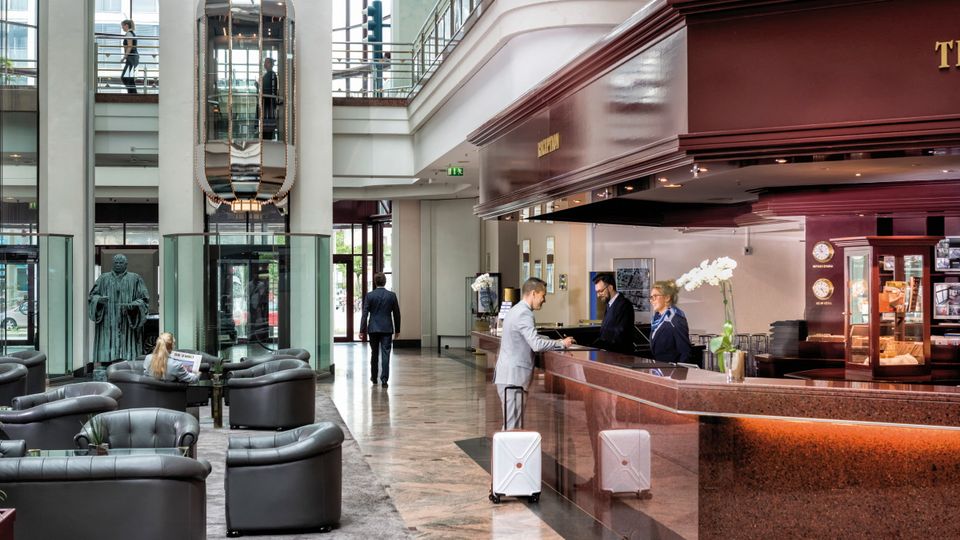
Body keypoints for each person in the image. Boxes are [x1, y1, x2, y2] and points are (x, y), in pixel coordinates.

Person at [494, 277, 575, 430]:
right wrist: (561, 344)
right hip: (513, 378)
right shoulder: (524, 313)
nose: (544, 300)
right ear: (533, 293)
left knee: (511, 425)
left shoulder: (516, 310)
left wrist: (551, 340)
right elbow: (536, 345)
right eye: (543, 295)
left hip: (508, 376)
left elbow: (528, 337)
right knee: (512, 428)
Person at [88, 254, 149, 363]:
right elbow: (92, 296)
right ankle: (106, 362)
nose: (118, 265)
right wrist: (99, 300)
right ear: (113, 264)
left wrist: (134, 305)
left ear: (126, 264)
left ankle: (128, 361)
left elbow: (144, 299)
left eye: (121, 263)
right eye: (116, 263)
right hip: (108, 319)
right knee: (107, 343)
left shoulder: (135, 278)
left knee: (127, 345)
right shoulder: (103, 278)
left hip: (126, 319)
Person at [359, 272, 401, 387]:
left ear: (375, 282)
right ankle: (384, 379)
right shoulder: (391, 295)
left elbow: (365, 314)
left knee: (374, 353)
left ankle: (374, 377)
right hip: (387, 329)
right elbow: (397, 314)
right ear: (385, 282)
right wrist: (397, 329)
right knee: (386, 353)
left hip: (373, 329)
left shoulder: (370, 296)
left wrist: (362, 330)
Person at [649, 280, 693, 363]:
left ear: (667, 298)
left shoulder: (676, 320)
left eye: (655, 296)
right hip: (659, 368)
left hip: (671, 370)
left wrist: (677, 371)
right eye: (651, 297)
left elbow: (685, 353)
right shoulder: (656, 320)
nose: (652, 300)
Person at [592, 273, 636, 354]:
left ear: (610, 287)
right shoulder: (609, 304)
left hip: (620, 356)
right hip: (609, 354)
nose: (598, 295)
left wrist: (598, 345)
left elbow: (620, 334)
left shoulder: (624, 305)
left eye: (600, 291)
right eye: (597, 292)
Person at [260, 57, 279, 139]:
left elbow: (270, 89)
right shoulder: (269, 74)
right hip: (267, 103)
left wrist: (259, 85)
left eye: (267, 62)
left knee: (268, 126)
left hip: (268, 104)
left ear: (271, 64)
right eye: (265, 62)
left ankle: (267, 139)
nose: (265, 64)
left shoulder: (272, 75)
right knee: (266, 125)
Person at [120, 19, 139, 94]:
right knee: (129, 78)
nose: (122, 28)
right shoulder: (131, 33)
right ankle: (132, 95)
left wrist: (124, 57)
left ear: (126, 25)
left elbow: (130, 46)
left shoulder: (129, 34)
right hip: (133, 57)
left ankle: (132, 95)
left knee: (125, 77)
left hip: (131, 57)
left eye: (122, 26)